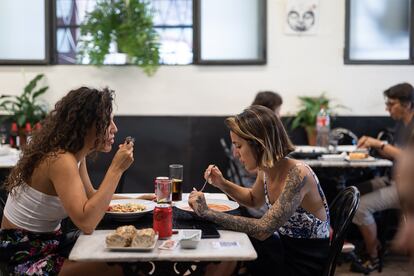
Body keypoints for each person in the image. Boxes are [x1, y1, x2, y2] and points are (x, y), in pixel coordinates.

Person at [0, 87, 145, 275]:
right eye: (107, 121)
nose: (115, 129)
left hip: (51, 243)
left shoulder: (74, 153)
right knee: (123, 266)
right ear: (87, 125)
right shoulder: (60, 159)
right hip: (23, 254)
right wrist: (116, 169)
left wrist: (140, 201)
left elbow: (91, 197)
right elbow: (87, 222)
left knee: (121, 252)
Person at [189, 105, 330, 276]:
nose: (235, 153)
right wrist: (222, 183)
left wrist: (208, 213)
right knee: (226, 249)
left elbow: (263, 229)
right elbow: (253, 200)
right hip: (282, 247)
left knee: (230, 252)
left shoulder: (298, 174)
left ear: (259, 145)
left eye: (238, 146)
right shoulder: (266, 169)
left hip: (303, 261)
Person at [351, 83, 414, 273]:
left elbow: (407, 158)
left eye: (392, 104)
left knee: (359, 207)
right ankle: (372, 243)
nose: (387, 108)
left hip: (407, 189)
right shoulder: (403, 125)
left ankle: (374, 257)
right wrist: (376, 148)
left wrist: (379, 143)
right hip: (393, 179)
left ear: (408, 104)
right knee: (353, 193)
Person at [236, 91, 284, 218]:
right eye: (277, 111)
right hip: (255, 194)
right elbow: (255, 200)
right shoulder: (249, 136)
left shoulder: (295, 171)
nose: (280, 116)